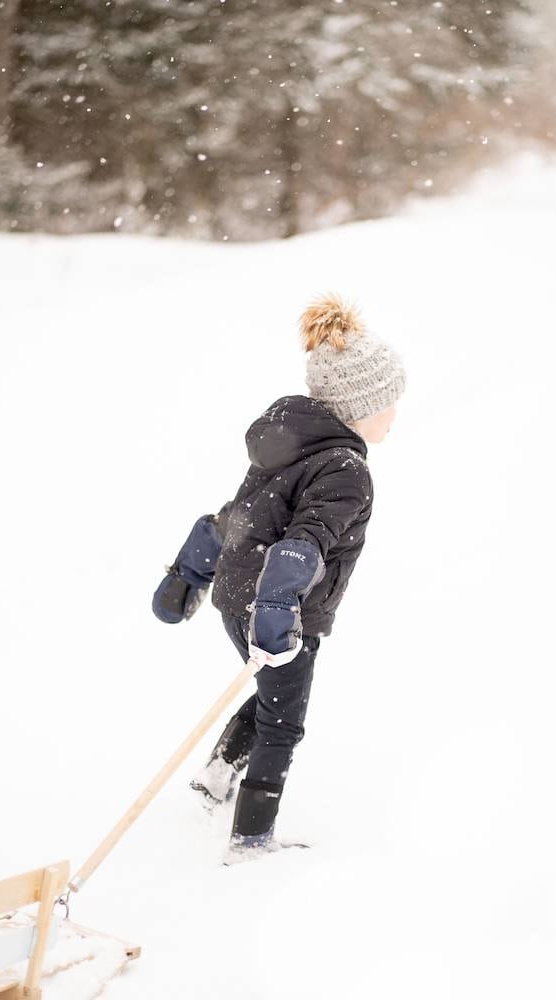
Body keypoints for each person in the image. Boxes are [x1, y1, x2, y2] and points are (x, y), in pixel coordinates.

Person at [153, 293, 406, 863]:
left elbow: (242, 514)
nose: (395, 415)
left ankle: (218, 773)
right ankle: (249, 839)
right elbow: (301, 543)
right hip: (280, 604)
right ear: (361, 408)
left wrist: (194, 569)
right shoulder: (347, 470)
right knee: (285, 723)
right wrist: (279, 603)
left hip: (237, 595)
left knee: (271, 691)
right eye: (390, 403)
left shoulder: (291, 444)